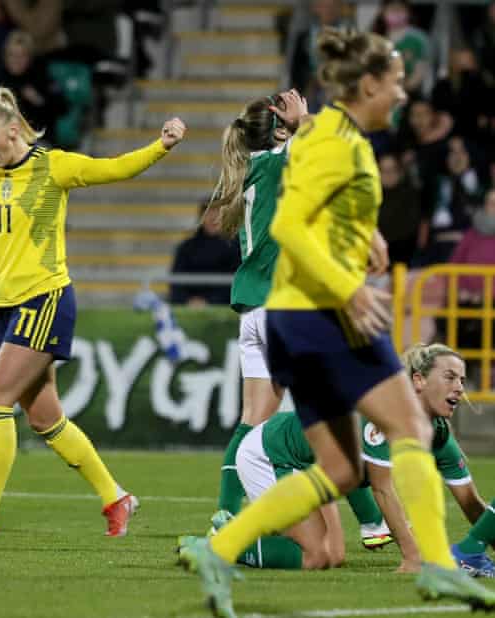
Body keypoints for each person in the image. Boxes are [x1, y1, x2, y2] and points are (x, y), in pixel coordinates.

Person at [177, 27, 495, 618]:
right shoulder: (330, 139)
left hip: (307, 314)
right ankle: (438, 568)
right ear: (369, 84)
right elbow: (292, 226)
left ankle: (217, 550)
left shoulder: (343, 139)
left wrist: (364, 236)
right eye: (396, 83)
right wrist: (349, 286)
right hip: (314, 313)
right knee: (407, 429)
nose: (404, 94)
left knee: (346, 465)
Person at [0, 87, 186, 537]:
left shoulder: (53, 166)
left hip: (44, 299)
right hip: (6, 306)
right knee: (45, 418)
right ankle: (116, 497)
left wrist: (160, 146)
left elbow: (113, 169)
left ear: (11, 130)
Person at [203, 88, 311, 525]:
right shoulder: (275, 167)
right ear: (280, 129)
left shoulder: (250, 169)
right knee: (323, 411)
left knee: (253, 419)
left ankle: (226, 513)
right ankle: (373, 522)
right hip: (279, 306)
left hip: (254, 310)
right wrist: (304, 122)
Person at [359, 344, 495, 577]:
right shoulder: (386, 412)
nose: (459, 388)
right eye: (450, 377)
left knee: (328, 554)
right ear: (419, 380)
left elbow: (471, 503)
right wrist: (412, 557)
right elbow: (382, 489)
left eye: (462, 380)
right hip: (284, 458)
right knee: (313, 556)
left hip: (330, 484)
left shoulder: (439, 433)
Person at [200, 411, 393, 571]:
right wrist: (375, 524)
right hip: (271, 456)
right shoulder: (370, 413)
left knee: (334, 555)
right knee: (316, 556)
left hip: (307, 463)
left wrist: (374, 525)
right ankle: (220, 542)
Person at [168, 204, 239, 307]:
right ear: (201, 217)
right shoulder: (186, 248)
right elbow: (176, 281)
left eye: (218, 213)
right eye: (209, 213)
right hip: (189, 307)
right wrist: (187, 301)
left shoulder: (235, 248)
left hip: (224, 306)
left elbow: (236, 283)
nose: (213, 218)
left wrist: (210, 302)